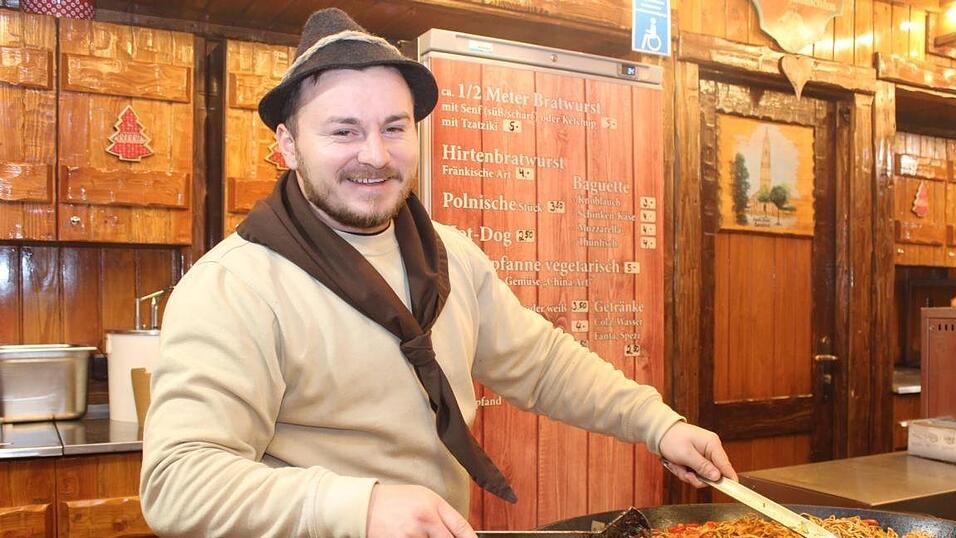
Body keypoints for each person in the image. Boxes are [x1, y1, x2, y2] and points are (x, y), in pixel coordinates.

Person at [139, 7, 737, 538]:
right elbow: (178, 482)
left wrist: (658, 424)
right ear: (289, 145)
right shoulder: (236, 286)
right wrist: (359, 509)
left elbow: (543, 364)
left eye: (394, 128)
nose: (375, 154)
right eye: (343, 130)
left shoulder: (451, 256)